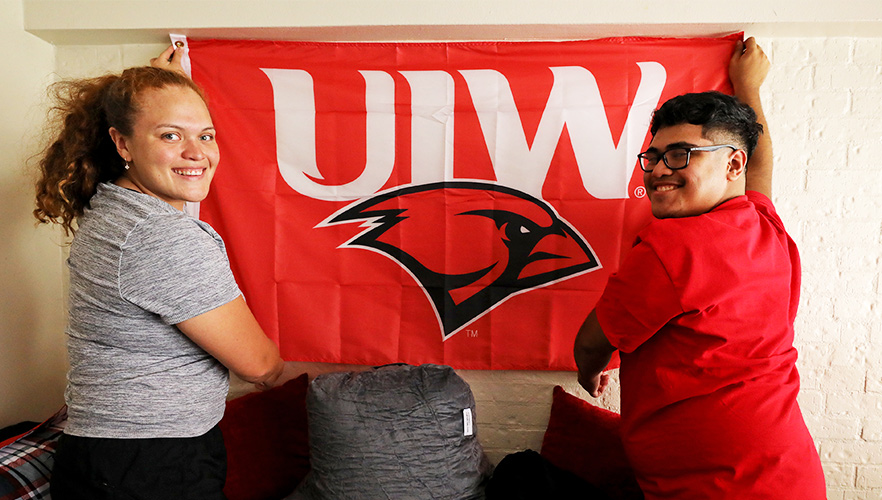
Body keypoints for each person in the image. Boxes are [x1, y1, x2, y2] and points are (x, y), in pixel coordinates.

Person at [34, 45, 296, 499]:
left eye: (206, 135)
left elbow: (175, 199)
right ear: (121, 143)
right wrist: (340, 379)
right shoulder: (159, 238)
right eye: (170, 136)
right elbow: (259, 365)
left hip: (110, 457)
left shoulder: (118, 207)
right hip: (150, 465)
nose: (197, 153)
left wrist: (162, 93)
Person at [573, 37, 826, 498]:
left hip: (717, 485)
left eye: (680, 154)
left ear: (732, 164)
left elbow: (592, 341)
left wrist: (589, 370)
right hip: (788, 472)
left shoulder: (673, 247)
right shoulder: (760, 221)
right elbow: (759, 170)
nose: (656, 170)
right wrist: (749, 89)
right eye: (653, 156)